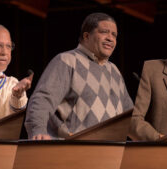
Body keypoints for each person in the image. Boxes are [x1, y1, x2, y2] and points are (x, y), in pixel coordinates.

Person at [25, 12, 133, 140]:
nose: (111, 38)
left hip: (111, 153)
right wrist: (38, 130)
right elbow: (42, 100)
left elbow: (130, 116)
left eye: (114, 35)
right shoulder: (67, 61)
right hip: (74, 151)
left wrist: (152, 137)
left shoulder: (114, 71)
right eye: (104, 32)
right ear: (86, 36)